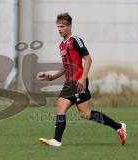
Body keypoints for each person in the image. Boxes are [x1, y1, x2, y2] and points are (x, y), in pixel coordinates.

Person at [38, 12, 127, 147]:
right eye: (58, 27)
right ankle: (57, 140)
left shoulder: (75, 40)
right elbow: (65, 67)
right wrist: (52, 77)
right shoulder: (62, 45)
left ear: (69, 26)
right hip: (69, 83)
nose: (60, 29)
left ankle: (118, 126)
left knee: (80, 112)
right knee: (71, 110)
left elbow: (88, 59)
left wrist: (83, 78)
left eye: (62, 26)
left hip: (78, 81)